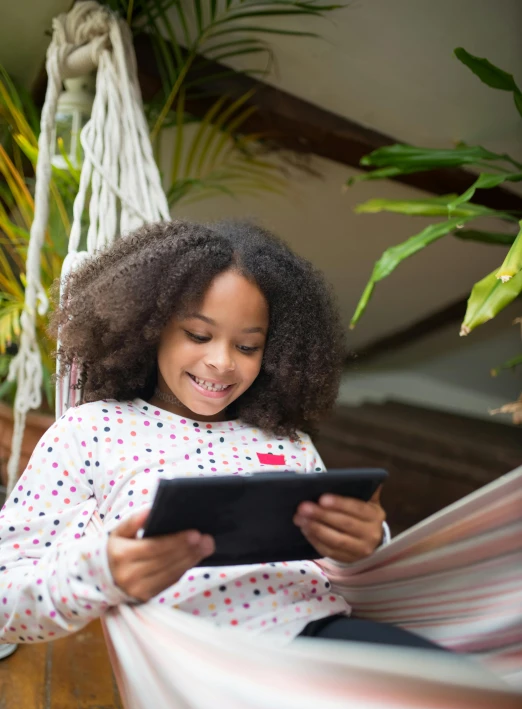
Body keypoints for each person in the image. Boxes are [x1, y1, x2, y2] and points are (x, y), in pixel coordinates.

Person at [0, 220, 443, 651]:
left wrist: (367, 547)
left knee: (468, 694)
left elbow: (346, 579)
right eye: (198, 334)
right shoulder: (91, 431)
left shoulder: (288, 444)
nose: (222, 362)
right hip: (198, 670)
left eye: (247, 346)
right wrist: (102, 572)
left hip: (318, 640)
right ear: (148, 329)